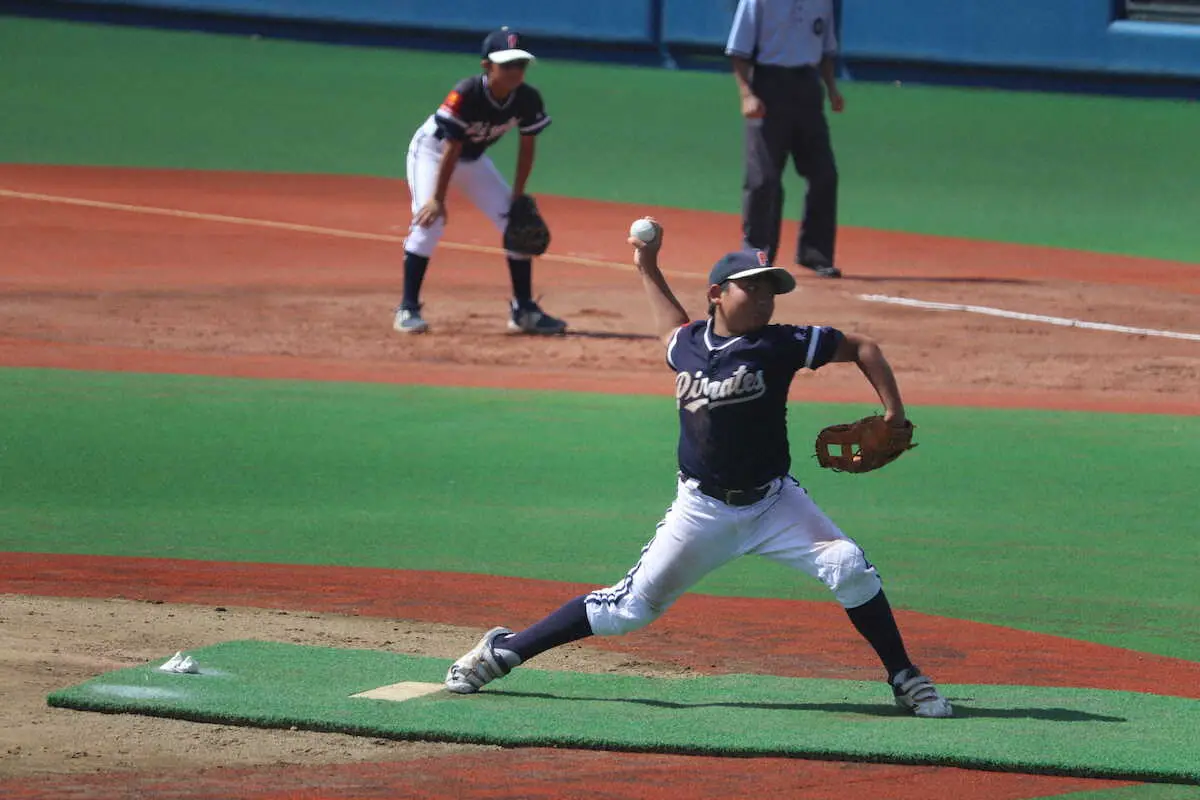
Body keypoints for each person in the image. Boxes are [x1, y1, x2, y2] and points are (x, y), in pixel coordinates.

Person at [443, 219, 953, 719]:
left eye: (770, 290)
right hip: (701, 510)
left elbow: (864, 346)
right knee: (627, 611)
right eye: (751, 288)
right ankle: (503, 651)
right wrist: (647, 264)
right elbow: (669, 325)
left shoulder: (783, 343)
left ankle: (905, 676)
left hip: (775, 504)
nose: (763, 299)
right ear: (717, 294)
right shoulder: (687, 344)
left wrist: (894, 414)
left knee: (847, 565)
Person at [395, 27, 566, 335]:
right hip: (433, 154)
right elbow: (451, 147)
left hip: (473, 161)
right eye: (507, 64)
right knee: (429, 219)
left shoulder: (527, 98)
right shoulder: (467, 93)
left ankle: (524, 309)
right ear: (487, 66)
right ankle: (407, 308)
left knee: (517, 224)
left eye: (521, 64)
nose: (515, 71)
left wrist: (517, 195)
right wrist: (437, 197)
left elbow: (527, 148)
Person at [726, 0, 845, 278]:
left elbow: (825, 49)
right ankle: (756, 256)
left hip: (807, 87)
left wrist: (831, 89)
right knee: (764, 178)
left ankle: (816, 254)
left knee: (824, 174)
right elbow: (739, 51)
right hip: (769, 84)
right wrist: (747, 94)